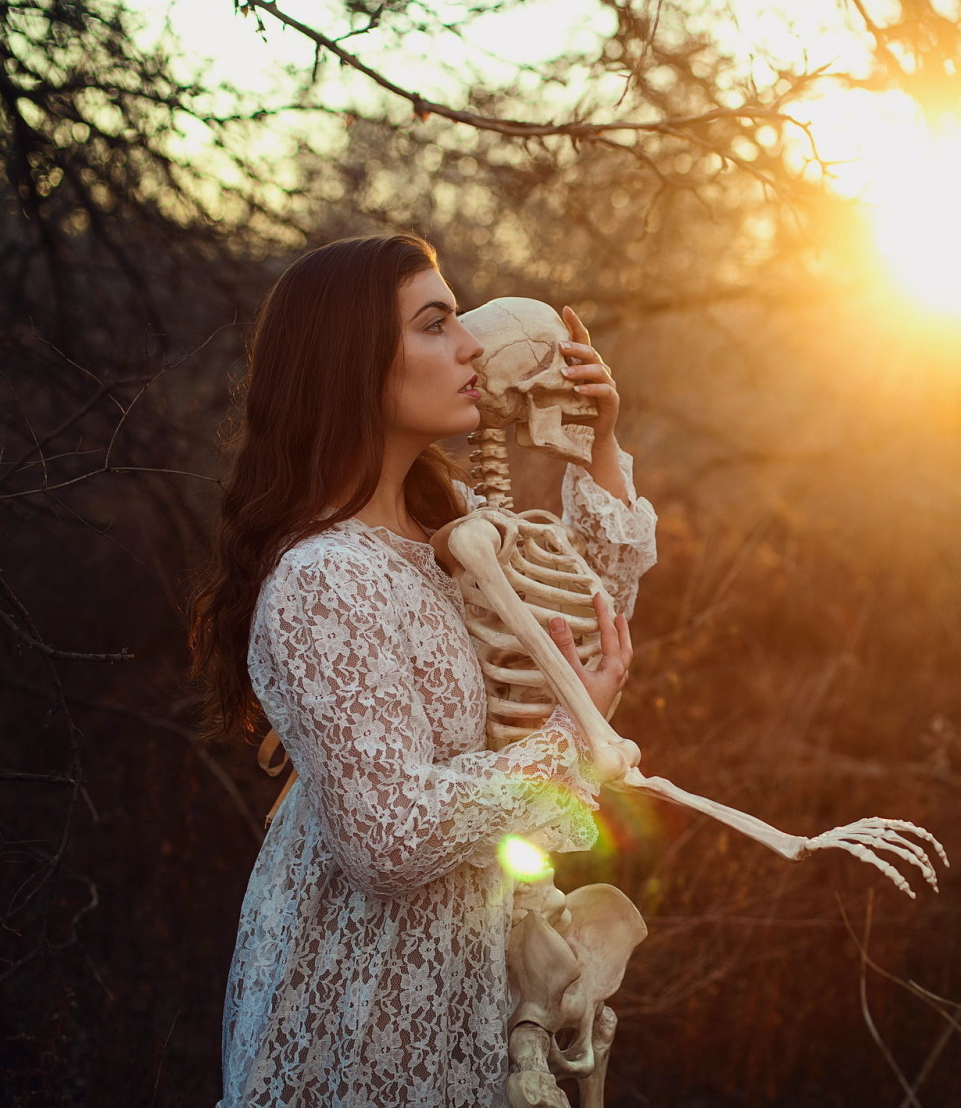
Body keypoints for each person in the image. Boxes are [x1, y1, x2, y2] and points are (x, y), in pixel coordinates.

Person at [189, 234, 657, 1106]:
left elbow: (589, 617)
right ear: (351, 363)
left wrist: (598, 445)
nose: (472, 345)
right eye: (436, 325)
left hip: (472, 977)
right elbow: (388, 837)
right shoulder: (323, 577)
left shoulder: (450, 527)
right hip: (365, 995)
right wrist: (566, 743)